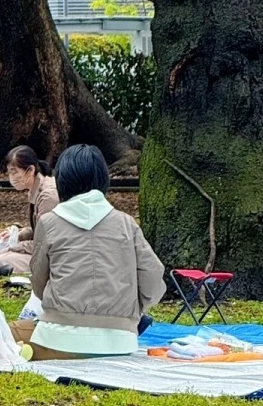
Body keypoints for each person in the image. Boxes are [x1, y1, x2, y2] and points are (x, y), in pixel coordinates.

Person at [13, 144, 165, 360]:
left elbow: (38, 285)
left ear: (62, 181)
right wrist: (130, 311)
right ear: (103, 180)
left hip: (59, 338)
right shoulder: (126, 224)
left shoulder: (49, 223)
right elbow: (153, 279)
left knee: (5, 331)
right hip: (121, 342)